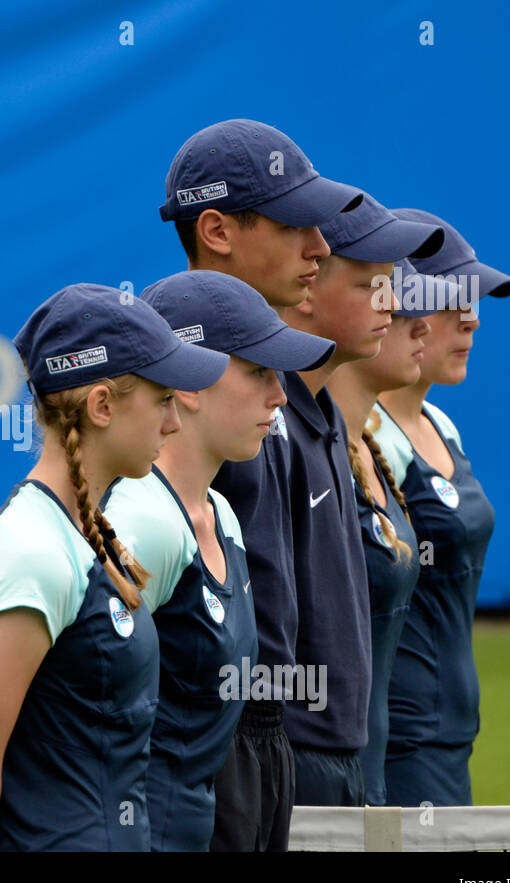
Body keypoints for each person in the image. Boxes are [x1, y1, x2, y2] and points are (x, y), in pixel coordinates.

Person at [0, 283, 229, 851]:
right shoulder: (33, 550)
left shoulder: (89, 532)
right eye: (163, 398)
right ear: (101, 406)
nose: (174, 423)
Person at [158, 117, 361, 849]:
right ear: (216, 229)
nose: (321, 248)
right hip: (225, 753)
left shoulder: (269, 402)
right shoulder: (184, 407)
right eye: (294, 224)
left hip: (278, 746)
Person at [103, 270, 333, 850]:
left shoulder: (224, 516)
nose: (280, 396)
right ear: (187, 383)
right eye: (258, 372)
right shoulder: (140, 519)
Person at [274, 192, 443, 807]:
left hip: (350, 768)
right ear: (309, 286)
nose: (396, 305)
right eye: (373, 283)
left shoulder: (323, 422)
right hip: (291, 774)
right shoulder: (265, 430)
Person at [371, 209, 510, 807]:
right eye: (453, 301)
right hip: (398, 740)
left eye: (475, 302)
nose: (472, 320)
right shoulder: (365, 439)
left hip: (452, 734)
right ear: (400, 308)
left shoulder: (442, 425)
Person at [327, 257, 461, 806]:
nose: (421, 324)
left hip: (387, 760)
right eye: (401, 306)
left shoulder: (372, 451)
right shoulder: (297, 450)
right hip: (351, 763)